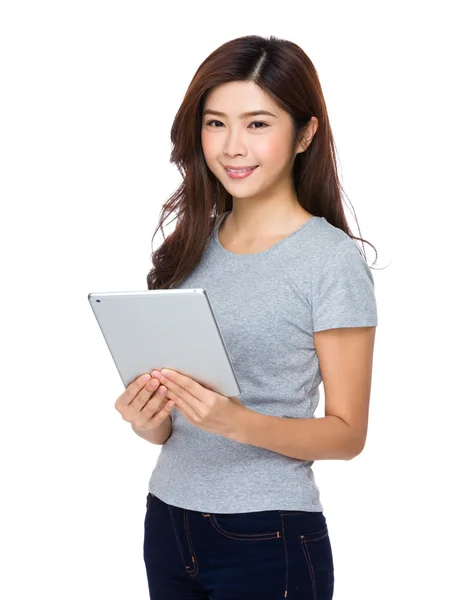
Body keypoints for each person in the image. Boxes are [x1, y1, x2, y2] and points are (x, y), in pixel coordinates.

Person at [115, 34, 378, 600]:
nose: (232, 146)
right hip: (167, 519)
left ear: (305, 133)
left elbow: (348, 434)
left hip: (267, 535)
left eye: (257, 124)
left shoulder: (329, 261)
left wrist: (234, 421)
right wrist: (148, 419)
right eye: (216, 123)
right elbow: (172, 427)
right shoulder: (191, 247)